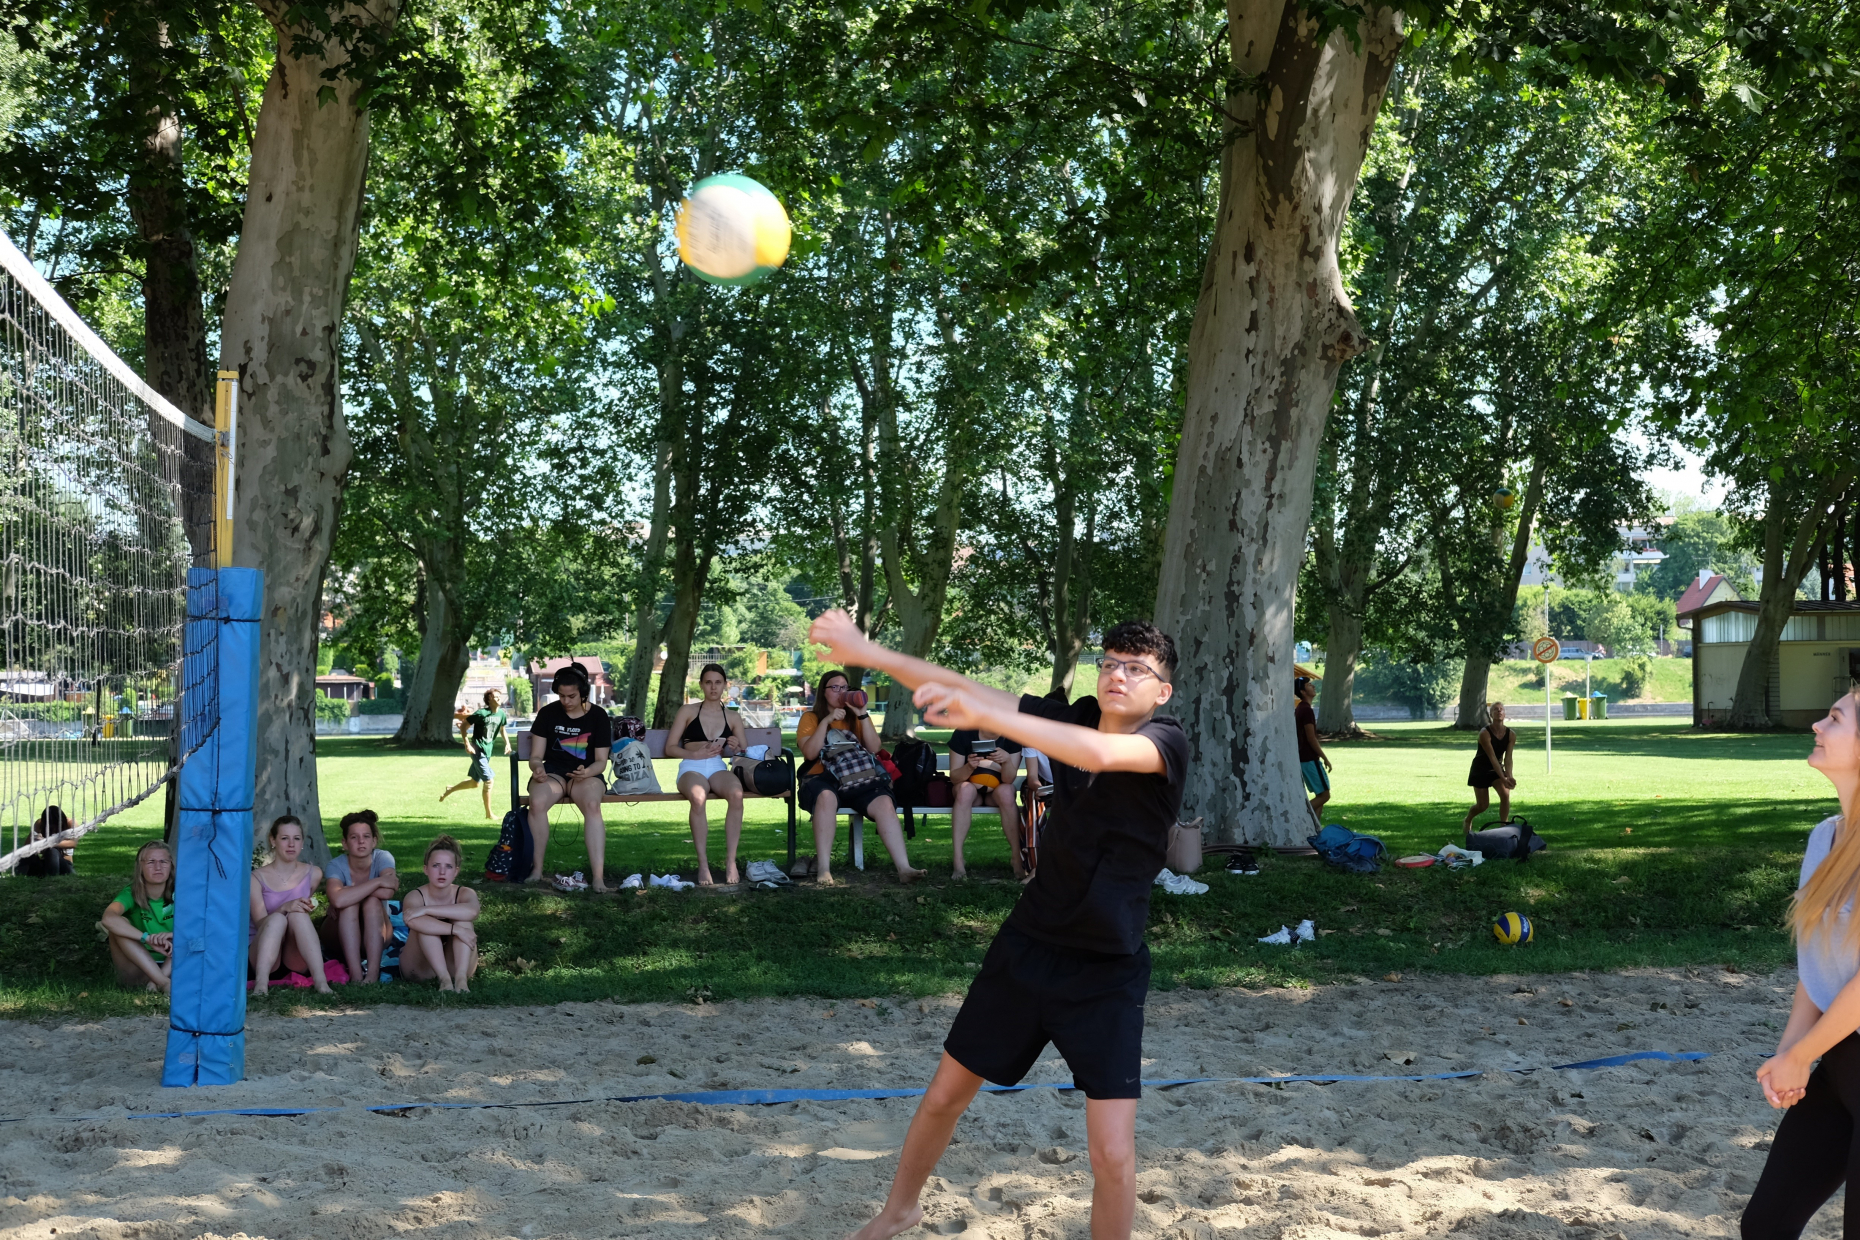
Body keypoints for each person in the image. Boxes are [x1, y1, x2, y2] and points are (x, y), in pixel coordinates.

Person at [810, 610, 1187, 1240]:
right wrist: (864, 650)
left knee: (1113, 1154)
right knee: (943, 1096)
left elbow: (1095, 752)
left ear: (1162, 690)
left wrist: (993, 717)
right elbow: (967, 686)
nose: (1118, 676)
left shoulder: (1166, 742)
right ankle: (900, 1210)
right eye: (1110, 663)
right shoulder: (1078, 716)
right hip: (1028, 945)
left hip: (1107, 968)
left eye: (1136, 669)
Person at [1743, 689, 1860, 1238]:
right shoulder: (1823, 838)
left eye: (1835, 718)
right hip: (1839, 1062)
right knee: (1766, 1225)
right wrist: (1790, 1054)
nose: (1817, 724)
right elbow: (1815, 968)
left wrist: (1803, 1054)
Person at [796, 669, 925, 885]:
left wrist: (862, 714)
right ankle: (824, 869)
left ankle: (904, 868)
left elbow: (874, 748)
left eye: (844, 688)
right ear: (823, 692)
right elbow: (809, 753)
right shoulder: (811, 718)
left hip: (857, 778)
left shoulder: (855, 717)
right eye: (834, 687)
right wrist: (826, 721)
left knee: (884, 803)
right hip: (822, 779)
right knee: (826, 797)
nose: (840, 692)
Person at [526, 662, 612, 891]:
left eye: (571, 696)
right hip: (553, 773)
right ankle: (536, 870)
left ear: (583, 692)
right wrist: (537, 767)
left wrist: (588, 772)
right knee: (536, 802)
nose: (566, 701)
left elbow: (601, 762)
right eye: (562, 696)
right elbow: (536, 756)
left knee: (592, 805)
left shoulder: (598, 716)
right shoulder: (548, 713)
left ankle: (598, 878)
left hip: (586, 775)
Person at [665, 663, 750, 885]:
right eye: (709, 682)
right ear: (701, 685)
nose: (713, 687)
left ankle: (731, 861)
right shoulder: (688, 711)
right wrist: (694, 754)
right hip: (691, 767)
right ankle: (703, 864)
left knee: (736, 794)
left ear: (725, 685)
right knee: (698, 796)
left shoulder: (732, 716)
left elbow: (744, 751)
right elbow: (670, 747)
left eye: (718, 682)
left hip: (716, 767)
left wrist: (736, 746)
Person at [249, 815, 332, 996]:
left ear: (302, 842)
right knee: (278, 919)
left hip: (295, 956)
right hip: (264, 955)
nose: (291, 844)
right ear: (273, 840)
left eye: (297, 838)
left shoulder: (314, 873)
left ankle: (321, 982)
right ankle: (261, 985)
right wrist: (284, 907)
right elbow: (260, 924)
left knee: (298, 914)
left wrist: (298, 908)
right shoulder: (255, 878)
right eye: (285, 838)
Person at [319, 809, 398, 984]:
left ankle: (372, 974)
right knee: (349, 906)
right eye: (354, 837)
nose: (361, 841)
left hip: (378, 931)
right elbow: (338, 900)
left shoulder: (383, 858)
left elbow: (388, 891)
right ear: (345, 843)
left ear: (374, 841)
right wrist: (378, 882)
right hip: (338, 936)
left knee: (371, 902)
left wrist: (349, 892)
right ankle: (355, 974)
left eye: (366, 836)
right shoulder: (336, 865)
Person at [399, 834, 480, 992]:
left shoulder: (465, 893)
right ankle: (444, 980)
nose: (442, 872)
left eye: (448, 866)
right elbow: (411, 919)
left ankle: (461, 979)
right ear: (426, 869)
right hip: (420, 968)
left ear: (456, 871)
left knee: (464, 921)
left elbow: (472, 911)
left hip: (454, 965)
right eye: (436, 865)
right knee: (425, 925)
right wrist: (456, 930)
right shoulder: (415, 896)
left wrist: (427, 909)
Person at [948, 726, 1025, 882]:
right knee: (964, 790)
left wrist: (1006, 761)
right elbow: (955, 778)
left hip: (996, 791)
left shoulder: (1012, 736)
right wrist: (969, 766)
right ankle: (958, 860)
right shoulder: (964, 733)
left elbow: (1008, 780)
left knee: (1007, 792)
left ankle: (1017, 858)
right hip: (970, 789)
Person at [101, 840, 175, 992]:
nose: (158, 867)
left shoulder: (183, 892)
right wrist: (147, 938)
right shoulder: (131, 892)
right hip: (139, 968)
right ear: (140, 867)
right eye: (151, 862)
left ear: (171, 866)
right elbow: (108, 918)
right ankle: (163, 982)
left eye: (163, 861)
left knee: (193, 931)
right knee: (118, 925)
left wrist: (173, 935)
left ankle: (158, 981)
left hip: (175, 964)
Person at [440, 690, 510, 819]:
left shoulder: (501, 714)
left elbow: (502, 729)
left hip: (487, 752)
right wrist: (467, 744)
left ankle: (450, 789)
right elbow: (463, 726)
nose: (499, 699)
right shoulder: (481, 713)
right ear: (489, 700)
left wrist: (507, 744)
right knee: (489, 781)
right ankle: (489, 814)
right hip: (477, 750)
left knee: (474, 783)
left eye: (499, 697)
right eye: (495, 697)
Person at [1461, 701, 1517, 830]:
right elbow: (1492, 757)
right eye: (1496, 709)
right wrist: (1503, 778)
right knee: (1483, 805)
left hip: (1496, 769)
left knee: (1505, 795)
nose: (1499, 711)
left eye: (1501, 709)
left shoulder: (1511, 735)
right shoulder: (1484, 733)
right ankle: (1468, 819)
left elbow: (1508, 758)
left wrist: (1509, 776)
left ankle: (1504, 826)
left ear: (1504, 714)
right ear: (1491, 714)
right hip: (1480, 769)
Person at [1294, 675, 1331, 818]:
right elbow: (1311, 738)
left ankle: (1316, 828)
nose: (1313, 686)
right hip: (1309, 758)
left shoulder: (1301, 708)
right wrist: (1324, 757)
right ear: (1303, 692)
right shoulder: (1306, 710)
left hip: (1304, 758)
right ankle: (1298, 817)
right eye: (1309, 685)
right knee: (1325, 795)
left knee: (1320, 795)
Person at [19, 804, 76, 876]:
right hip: (45, 862)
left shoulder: (70, 823)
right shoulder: (40, 823)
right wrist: (35, 842)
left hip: (64, 864)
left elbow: (73, 843)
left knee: (52, 850)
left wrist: (48, 842)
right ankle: (19, 876)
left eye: (55, 824)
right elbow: (26, 846)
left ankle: (52, 878)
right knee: (24, 853)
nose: (53, 827)